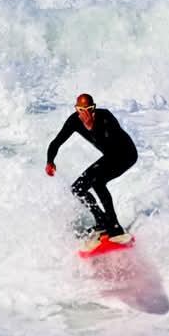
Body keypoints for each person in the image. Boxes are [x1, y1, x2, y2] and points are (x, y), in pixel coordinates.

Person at [45, 93, 137, 239]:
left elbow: (110, 144)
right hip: (110, 156)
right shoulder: (74, 120)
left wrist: (91, 128)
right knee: (78, 189)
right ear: (76, 109)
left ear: (94, 107)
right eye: (81, 110)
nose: (85, 114)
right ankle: (102, 221)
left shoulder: (105, 117)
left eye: (89, 109)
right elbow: (56, 142)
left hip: (126, 154)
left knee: (97, 182)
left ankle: (114, 226)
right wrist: (50, 161)